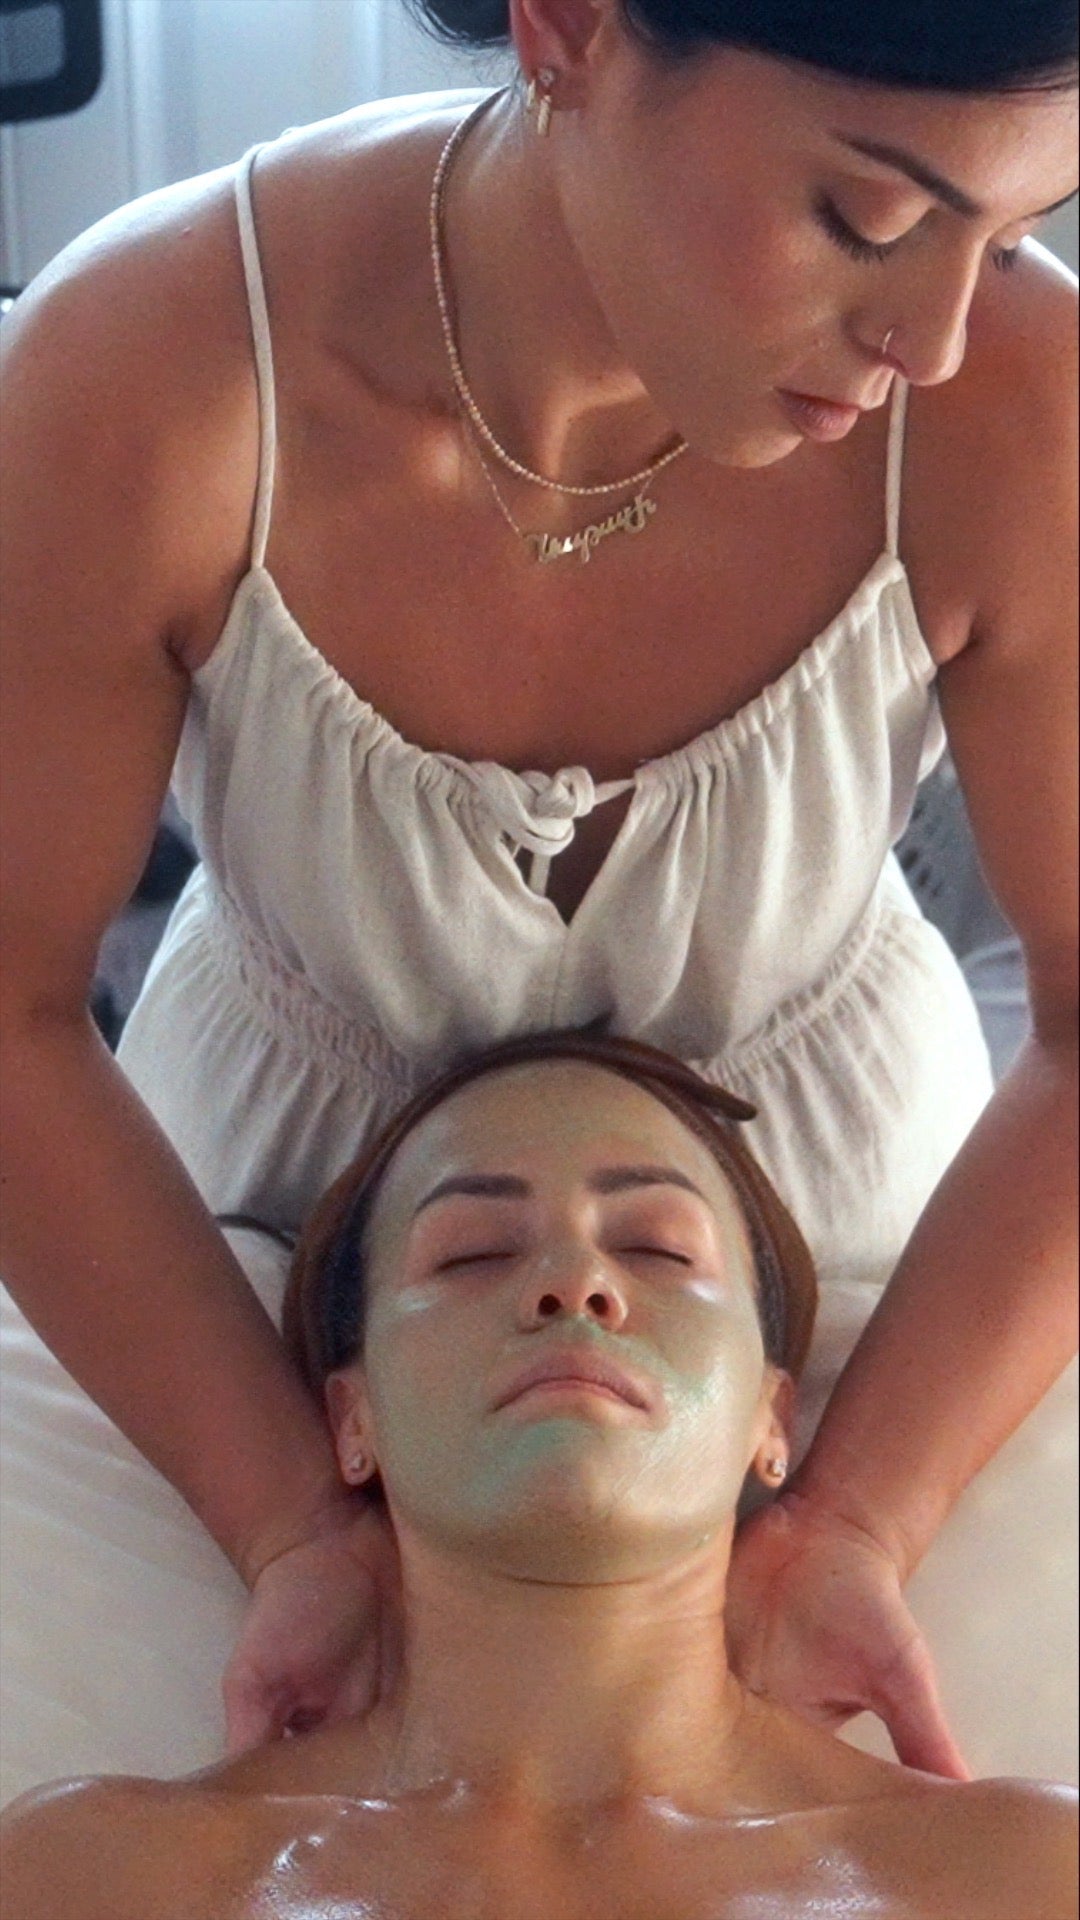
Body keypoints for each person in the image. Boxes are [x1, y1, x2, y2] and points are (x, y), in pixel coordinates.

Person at [0, 0, 1077, 1796]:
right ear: (569, 24)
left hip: (849, 1272)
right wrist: (289, 1520)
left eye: (1019, 229)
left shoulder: (1021, 408)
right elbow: (12, 1010)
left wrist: (857, 1517)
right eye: (869, 219)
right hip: (250, 1275)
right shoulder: (149, 372)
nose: (938, 338)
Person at [1, 1035, 1076, 1920]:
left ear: (772, 1416)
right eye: (471, 1253)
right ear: (352, 1419)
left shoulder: (1020, 1876)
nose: (574, 1281)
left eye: (658, 1247)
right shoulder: (93, 1875)